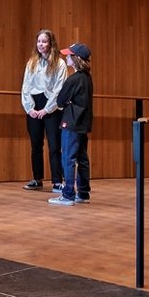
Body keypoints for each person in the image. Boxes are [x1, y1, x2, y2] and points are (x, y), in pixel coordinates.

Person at [20, 29, 68, 190]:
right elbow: (26, 86)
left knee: (54, 145)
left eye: (44, 41)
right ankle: (37, 178)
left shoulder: (59, 63)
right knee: (36, 144)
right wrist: (30, 108)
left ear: (51, 43)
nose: (41, 44)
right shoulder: (32, 62)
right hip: (34, 104)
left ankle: (56, 180)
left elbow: (59, 89)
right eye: (39, 41)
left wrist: (47, 110)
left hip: (51, 107)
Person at [49, 43, 95, 206]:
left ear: (76, 59)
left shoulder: (73, 79)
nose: (66, 57)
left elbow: (60, 100)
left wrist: (67, 102)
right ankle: (83, 193)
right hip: (83, 123)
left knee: (68, 158)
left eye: (69, 55)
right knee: (82, 158)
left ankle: (68, 194)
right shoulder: (87, 78)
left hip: (71, 123)